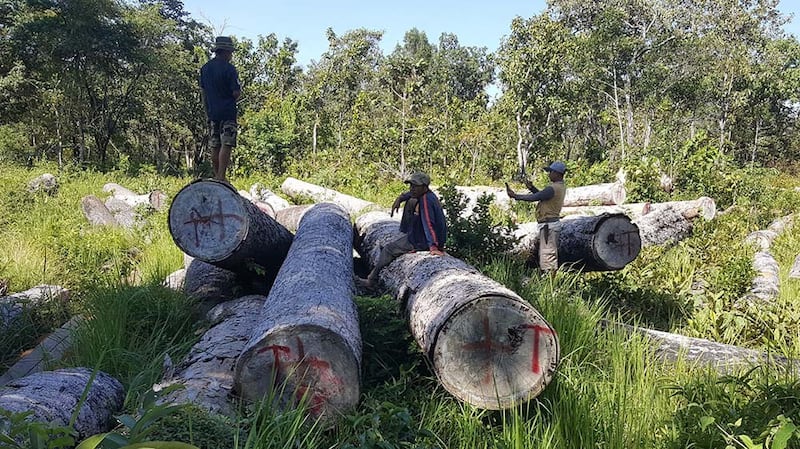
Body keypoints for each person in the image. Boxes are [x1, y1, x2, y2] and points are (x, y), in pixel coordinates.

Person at [358, 172, 447, 290]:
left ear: (424, 187)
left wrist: (433, 247)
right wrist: (401, 198)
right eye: (411, 186)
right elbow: (411, 195)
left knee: (388, 249)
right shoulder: (428, 196)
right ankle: (406, 231)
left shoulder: (425, 202)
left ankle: (371, 280)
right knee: (410, 202)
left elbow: (429, 224)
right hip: (426, 237)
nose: (412, 189)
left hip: (421, 241)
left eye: (415, 186)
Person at [506, 161, 567, 273]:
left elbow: (536, 197)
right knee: (547, 254)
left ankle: (550, 283)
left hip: (549, 225)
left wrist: (515, 196)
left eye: (551, 172)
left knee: (548, 255)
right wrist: (531, 188)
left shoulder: (553, 188)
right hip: (549, 224)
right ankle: (548, 279)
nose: (549, 174)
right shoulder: (559, 187)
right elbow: (542, 196)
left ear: (557, 173)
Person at [200, 36, 241, 182]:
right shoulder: (229, 69)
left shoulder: (205, 69)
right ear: (225, 52)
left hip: (212, 112)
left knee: (214, 144)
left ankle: (217, 174)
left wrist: (207, 111)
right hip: (227, 111)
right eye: (230, 52)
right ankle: (222, 177)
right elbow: (236, 92)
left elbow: (203, 92)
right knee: (226, 143)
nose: (231, 55)